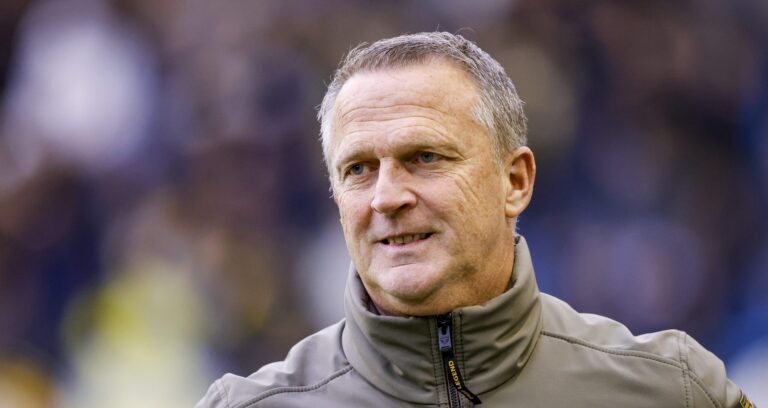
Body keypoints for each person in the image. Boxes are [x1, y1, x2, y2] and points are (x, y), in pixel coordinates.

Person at [196, 32, 753, 408]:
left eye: (426, 158)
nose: (387, 197)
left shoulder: (671, 390)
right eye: (359, 169)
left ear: (515, 182)